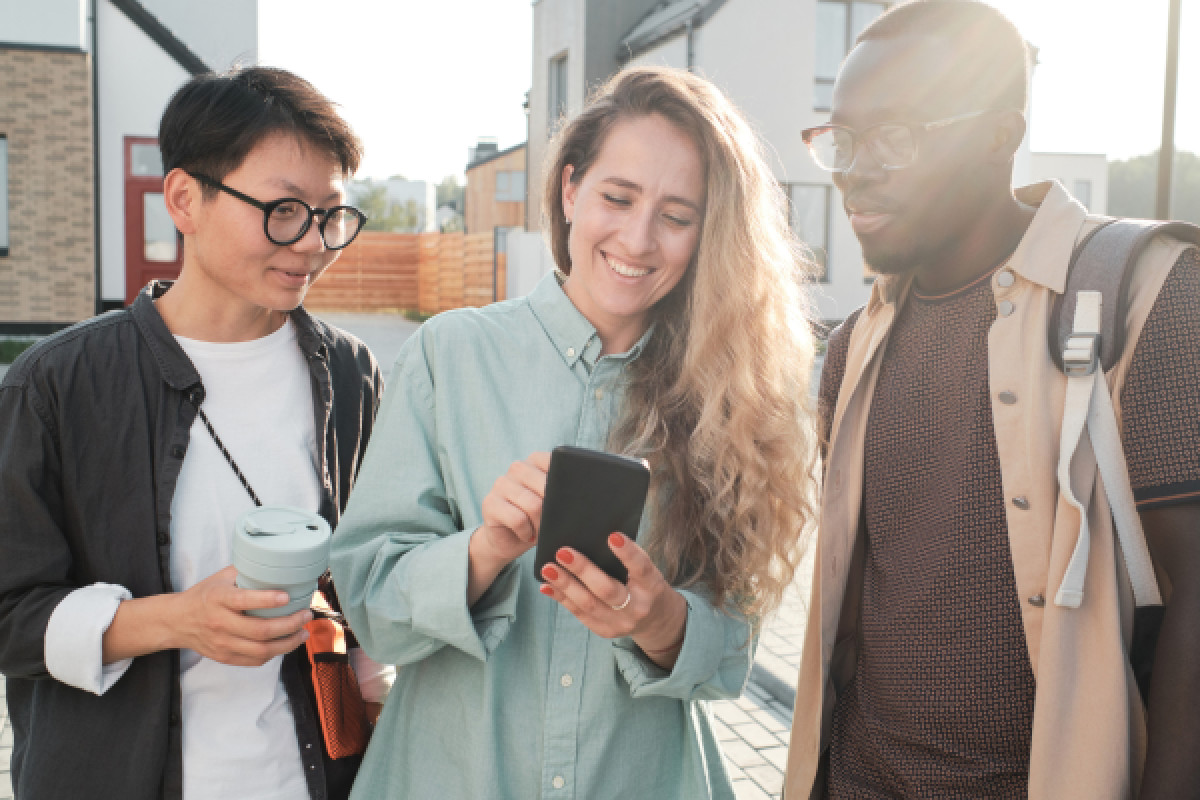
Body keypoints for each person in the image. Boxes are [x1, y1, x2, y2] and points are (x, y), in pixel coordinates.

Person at [329, 65, 818, 799]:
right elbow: (371, 608)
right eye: (617, 198)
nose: (638, 239)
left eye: (677, 216)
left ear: (708, 234)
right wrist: (485, 548)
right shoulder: (450, 354)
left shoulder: (731, 398)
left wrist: (662, 622)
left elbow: (731, 659)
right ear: (569, 191)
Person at [785, 2, 1200, 798]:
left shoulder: (1144, 293)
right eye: (842, 139)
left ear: (998, 136)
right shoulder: (852, 348)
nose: (853, 170)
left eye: (895, 138)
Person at [0, 66, 393, 800]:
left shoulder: (349, 372)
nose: (313, 243)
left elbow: (369, 572)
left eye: (331, 215)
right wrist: (177, 621)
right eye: (284, 210)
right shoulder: (55, 384)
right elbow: (10, 616)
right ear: (184, 199)